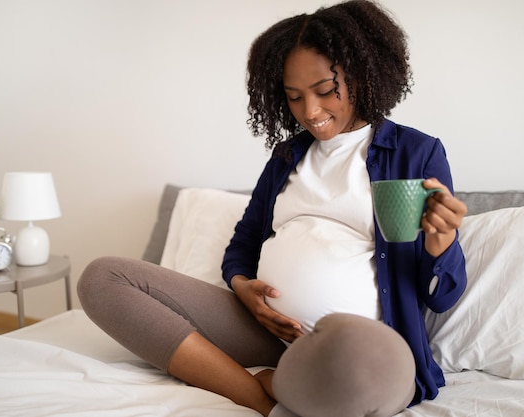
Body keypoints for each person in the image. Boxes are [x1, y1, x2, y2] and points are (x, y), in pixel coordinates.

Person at [77, 1, 468, 416]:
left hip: (359, 347)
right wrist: (243, 288)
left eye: (324, 91)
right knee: (102, 279)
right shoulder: (287, 157)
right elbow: (242, 245)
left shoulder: (415, 153)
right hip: (266, 334)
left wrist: (442, 244)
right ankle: (256, 395)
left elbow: (443, 298)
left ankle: (293, 384)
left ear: (361, 74)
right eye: (295, 97)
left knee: (361, 374)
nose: (310, 112)